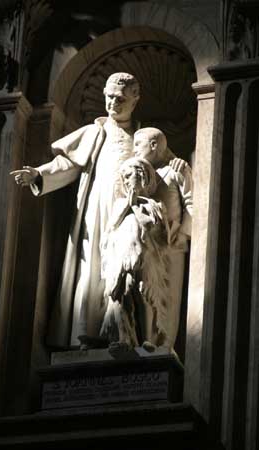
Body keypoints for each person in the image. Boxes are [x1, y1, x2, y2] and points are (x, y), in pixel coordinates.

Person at [10, 73, 186, 349]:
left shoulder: (143, 135)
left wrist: (177, 165)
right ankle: (87, 333)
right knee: (91, 267)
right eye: (109, 97)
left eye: (120, 98)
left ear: (135, 100)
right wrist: (38, 174)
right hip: (98, 207)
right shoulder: (96, 132)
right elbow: (67, 164)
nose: (113, 103)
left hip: (130, 211)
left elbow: (164, 164)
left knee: (128, 267)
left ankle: (132, 334)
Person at [100, 157, 171, 350]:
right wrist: (127, 204)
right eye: (127, 175)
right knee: (121, 294)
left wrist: (135, 206)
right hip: (122, 257)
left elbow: (157, 229)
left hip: (146, 257)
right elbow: (112, 226)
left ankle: (148, 339)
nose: (130, 178)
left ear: (145, 178)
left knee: (144, 293)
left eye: (136, 174)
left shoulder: (154, 205)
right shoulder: (119, 204)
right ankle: (123, 339)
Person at [132, 127, 193, 349]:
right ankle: (145, 338)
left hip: (172, 243)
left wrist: (182, 234)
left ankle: (165, 345)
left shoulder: (177, 170)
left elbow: (192, 205)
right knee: (146, 290)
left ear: (154, 145)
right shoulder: (140, 174)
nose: (134, 150)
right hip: (148, 243)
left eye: (138, 145)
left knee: (170, 296)